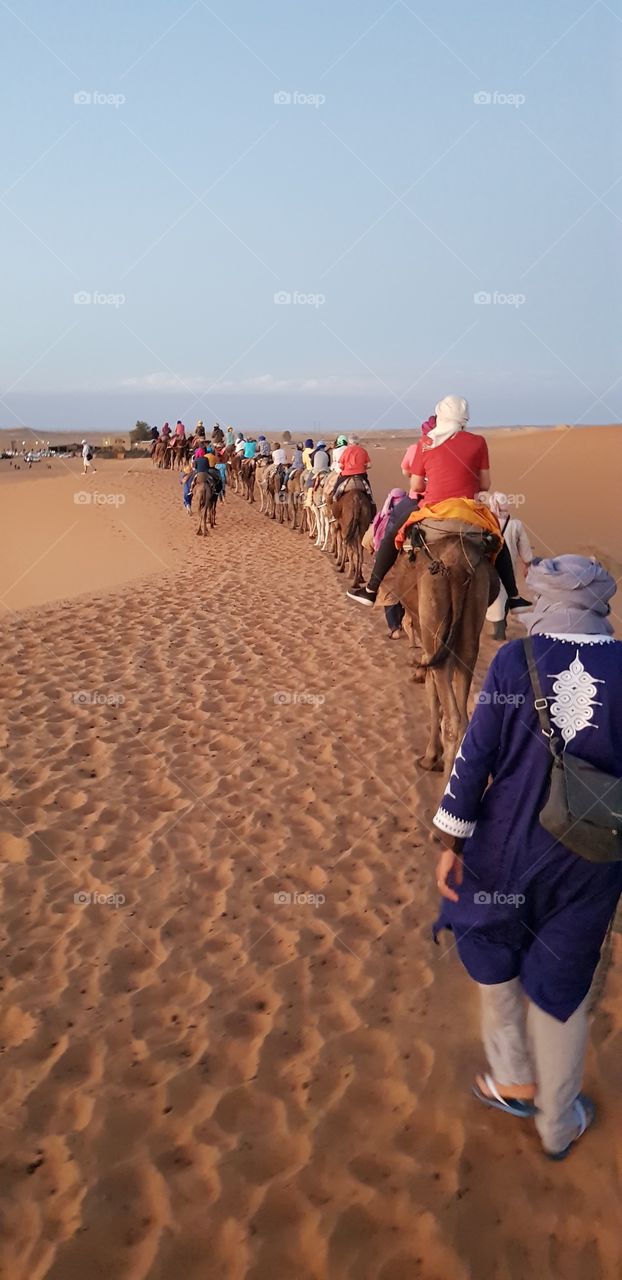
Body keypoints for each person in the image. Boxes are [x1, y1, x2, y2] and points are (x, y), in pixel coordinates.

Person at [433, 555, 622, 1159]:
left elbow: (476, 752)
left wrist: (451, 838)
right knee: (563, 980)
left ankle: (512, 1075)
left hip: (506, 845)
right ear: (601, 605)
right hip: (592, 858)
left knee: (493, 940)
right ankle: (558, 1122)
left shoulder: (515, 660)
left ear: (540, 600)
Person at [347, 397, 527, 608]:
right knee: (499, 539)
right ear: (464, 417)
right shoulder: (478, 442)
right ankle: (513, 597)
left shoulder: (425, 443)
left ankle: (371, 589)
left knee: (392, 535)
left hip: (431, 507)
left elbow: (417, 486)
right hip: (468, 508)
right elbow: (485, 484)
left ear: (440, 415)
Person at [482, 493, 534, 640]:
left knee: (496, 597)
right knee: (505, 596)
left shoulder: (485, 523)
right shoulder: (515, 524)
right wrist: (527, 564)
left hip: (489, 565)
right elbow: (525, 547)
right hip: (508, 567)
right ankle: (501, 627)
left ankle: (498, 632)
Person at [367, 488, 408, 637]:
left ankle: (394, 628)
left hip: (387, 559)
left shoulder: (382, 518)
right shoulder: (411, 516)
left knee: (387, 592)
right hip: (407, 560)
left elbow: (367, 541)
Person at [331, 434, 373, 506]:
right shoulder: (363, 451)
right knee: (368, 487)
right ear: (358, 443)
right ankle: (371, 499)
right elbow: (369, 465)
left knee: (337, 485)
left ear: (349, 443)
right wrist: (363, 467)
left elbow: (340, 466)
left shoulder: (346, 451)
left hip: (346, 475)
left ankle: (335, 497)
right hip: (361, 474)